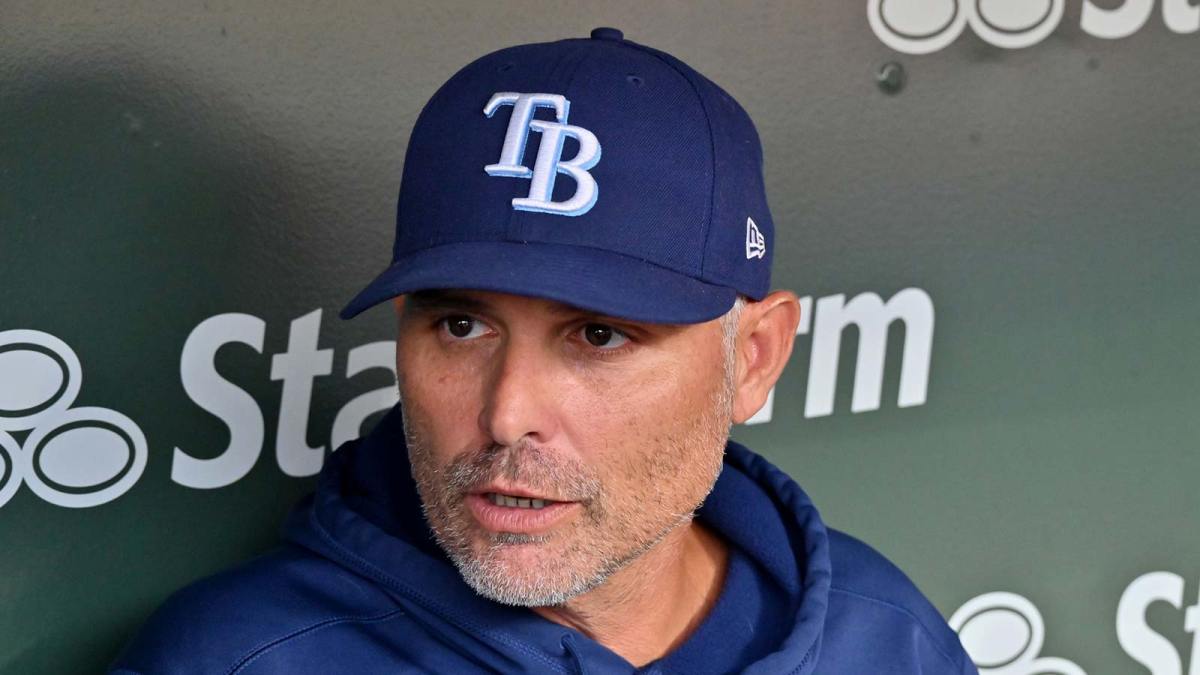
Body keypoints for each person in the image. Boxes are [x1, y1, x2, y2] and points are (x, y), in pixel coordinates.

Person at [111, 28, 977, 674]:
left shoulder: (886, 638)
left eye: (599, 334)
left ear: (752, 357)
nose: (506, 411)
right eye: (460, 325)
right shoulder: (238, 659)